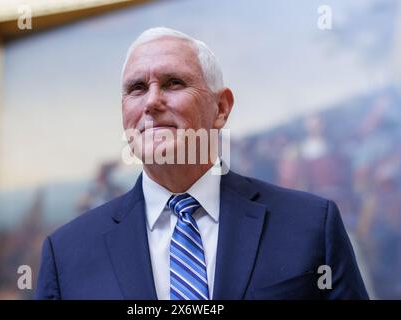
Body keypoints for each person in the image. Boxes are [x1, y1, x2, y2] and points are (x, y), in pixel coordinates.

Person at [35, 27, 368, 300]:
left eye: (173, 83)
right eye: (137, 88)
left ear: (221, 108)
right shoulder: (66, 255)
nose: (152, 101)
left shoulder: (309, 225)